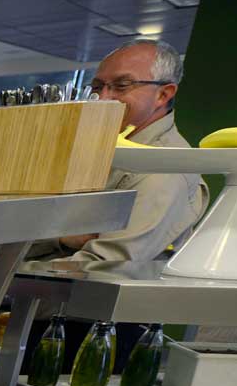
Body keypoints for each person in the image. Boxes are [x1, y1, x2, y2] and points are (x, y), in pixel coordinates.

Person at [42, 38, 206, 261]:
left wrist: (12, 269)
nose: (103, 98)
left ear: (163, 94)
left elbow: (105, 265)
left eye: (121, 86)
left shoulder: (165, 169)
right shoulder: (99, 146)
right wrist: (60, 239)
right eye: (97, 87)